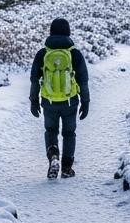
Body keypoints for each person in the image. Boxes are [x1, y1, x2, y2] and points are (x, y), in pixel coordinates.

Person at [29, 17, 90, 179]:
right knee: (69, 134)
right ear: (68, 33)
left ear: (51, 32)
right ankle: (66, 169)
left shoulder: (43, 54)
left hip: (48, 102)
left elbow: (34, 79)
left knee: (51, 131)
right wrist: (86, 101)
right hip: (70, 102)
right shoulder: (74, 54)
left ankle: (53, 156)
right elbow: (83, 80)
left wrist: (33, 100)